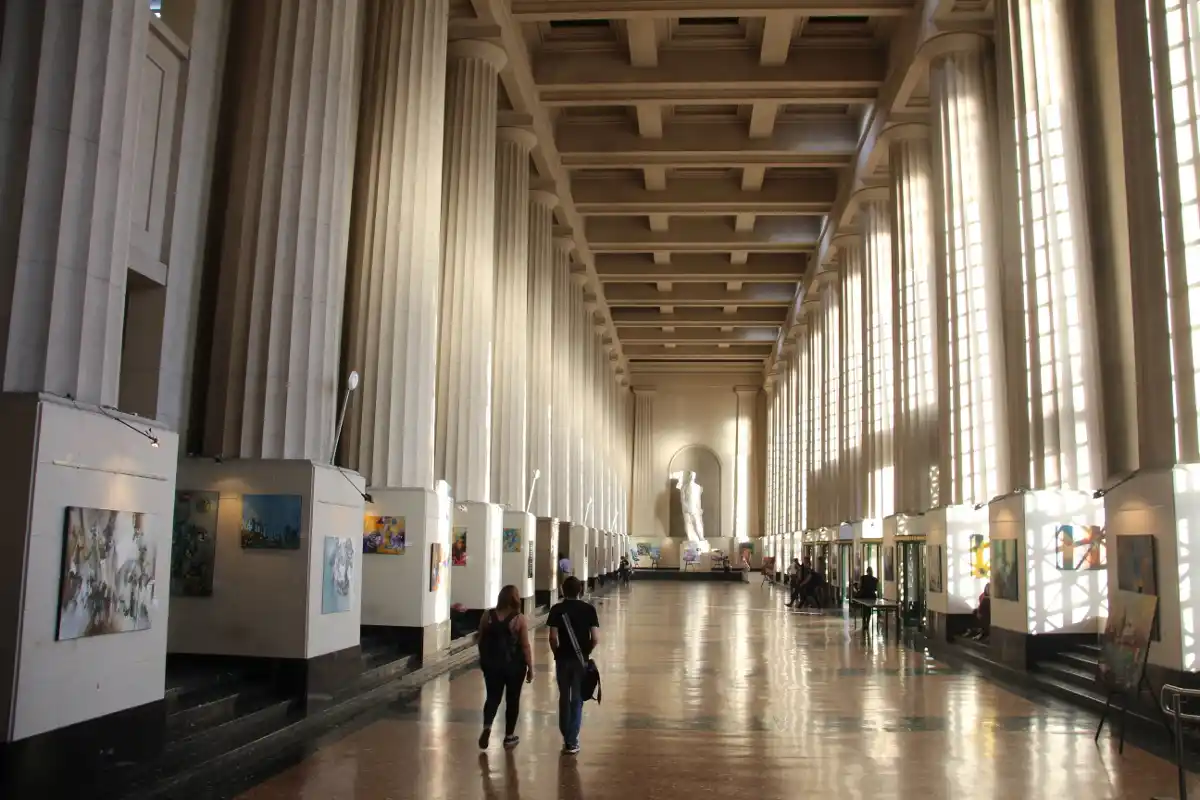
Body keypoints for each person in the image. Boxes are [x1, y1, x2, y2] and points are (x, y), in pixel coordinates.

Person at [477, 585, 534, 750]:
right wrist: (530, 668)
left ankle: (487, 726)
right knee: (512, 700)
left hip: (492, 666)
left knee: (492, 697)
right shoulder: (519, 619)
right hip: (514, 667)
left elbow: (481, 640)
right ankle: (509, 737)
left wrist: (484, 660)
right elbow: (525, 646)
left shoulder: (487, 616)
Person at [547, 576, 599, 755]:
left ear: (562, 589)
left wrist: (556, 653)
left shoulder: (556, 609)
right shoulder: (589, 610)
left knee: (563, 697)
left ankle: (565, 734)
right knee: (577, 698)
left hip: (562, 659)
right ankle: (572, 740)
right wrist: (586, 653)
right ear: (580, 590)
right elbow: (595, 639)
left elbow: (553, 638)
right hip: (580, 660)